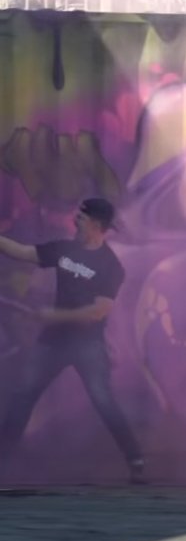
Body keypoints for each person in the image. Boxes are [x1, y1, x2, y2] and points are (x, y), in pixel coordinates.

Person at [0, 197, 146, 483]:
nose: (75, 220)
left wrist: (55, 316)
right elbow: (22, 251)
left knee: (103, 399)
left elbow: (97, 312)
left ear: (96, 224)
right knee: (23, 395)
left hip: (88, 345)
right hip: (53, 342)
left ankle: (135, 459)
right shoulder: (63, 250)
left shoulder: (111, 267)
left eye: (81, 217)